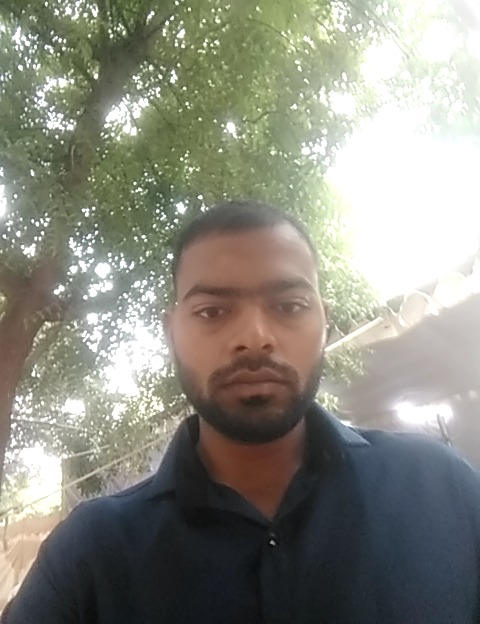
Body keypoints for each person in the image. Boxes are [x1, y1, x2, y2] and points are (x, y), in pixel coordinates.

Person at [5, 200, 480, 623]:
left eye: (289, 306)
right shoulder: (93, 553)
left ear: (323, 322)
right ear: (172, 334)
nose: (254, 337)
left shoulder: (443, 490)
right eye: (212, 312)